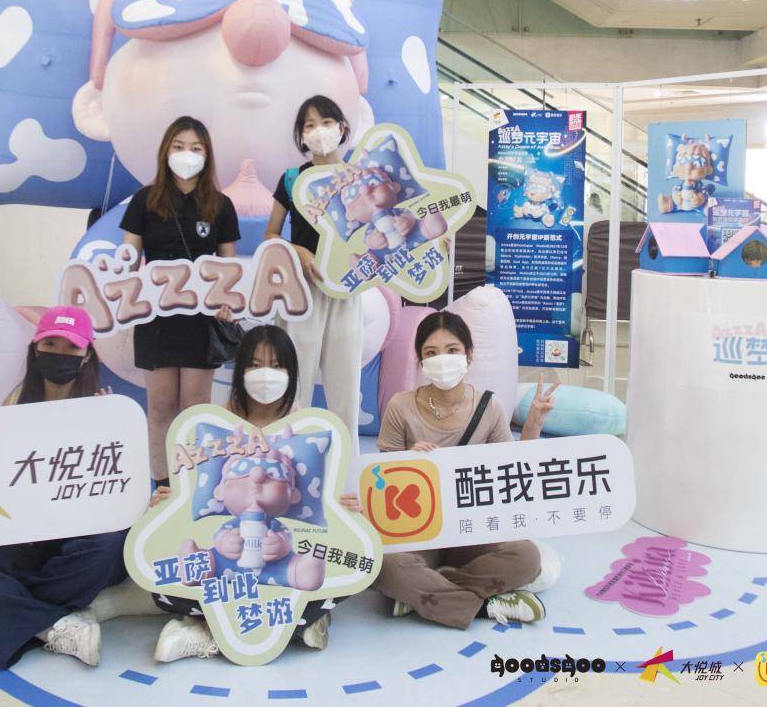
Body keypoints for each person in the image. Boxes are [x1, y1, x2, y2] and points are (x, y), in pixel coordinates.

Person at [0, 306, 137, 668]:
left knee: (109, 549)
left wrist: (107, 434)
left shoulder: (105, 408)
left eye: (70, 347)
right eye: (50, 344)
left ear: (87, 354)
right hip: (23, 534)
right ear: (35, 348)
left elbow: (118, 495)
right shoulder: (14, 404)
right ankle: (50, 625)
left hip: (77, 538)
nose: (59, 354)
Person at [148, 325, 362, 661]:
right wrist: (168, 501)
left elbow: (322, 502)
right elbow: (190, 490)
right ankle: (295, 623)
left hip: (279, 564)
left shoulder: (307, 429)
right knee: (164, 590)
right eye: (255, 364)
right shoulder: (216, 426)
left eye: (276, 366)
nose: (266, 375)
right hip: (227, 566)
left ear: (291, 373)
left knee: (336, 578)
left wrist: (344, 507)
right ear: (240, 371)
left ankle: (211, 627)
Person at [374, 311, 558, 629]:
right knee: (385, 565)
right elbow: (380, 482)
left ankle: (428, 591)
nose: (442, 360)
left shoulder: (489, 407)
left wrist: (532, 427)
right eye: (431, 352)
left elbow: (511, 472)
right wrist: (406, 462)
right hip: (418, 531)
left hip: (472, 528)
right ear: (420, 360)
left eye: (452, 350)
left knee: (527, 558)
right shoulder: (400, 406)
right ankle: (486, 606)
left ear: (468, 355)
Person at [120, 116, 241, 485]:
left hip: (201, 322)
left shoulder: (220, 205)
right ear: (165, 151)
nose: (186, 154)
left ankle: (196, 485)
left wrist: (225, 302)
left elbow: (228, 267)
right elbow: (128, 260)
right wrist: (124, 292)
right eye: (179, 146)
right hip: (155, 319)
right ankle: (161, 485)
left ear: (207, 155)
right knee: (160, 409)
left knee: (195, 408)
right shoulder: (144, 200)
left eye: (195, 148)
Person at [265, 96, 363, 453]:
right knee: (295, 382)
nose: (319, 130)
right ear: (301, 135)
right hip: (301, 291)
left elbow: (390, 230)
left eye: (326, 122)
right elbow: (271, 236)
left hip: (346, 289)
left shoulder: (360, 177)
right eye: (309, 125)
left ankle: (348, 468)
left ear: (342, 127)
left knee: (345, 386)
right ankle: (285, 460)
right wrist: (298, 251)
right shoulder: (292, 179)